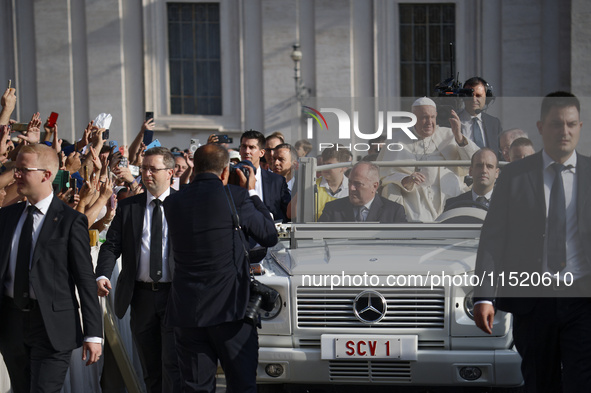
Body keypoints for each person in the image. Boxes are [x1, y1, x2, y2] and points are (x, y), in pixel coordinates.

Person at [473, 92, 591, 392]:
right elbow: (492, 239)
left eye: (571, 124)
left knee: (582, 381)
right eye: (555, 124)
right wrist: (485, 296)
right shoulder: (514, 176)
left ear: (580, 126)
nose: (564, 131)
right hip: (534, 301)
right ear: (540, 127)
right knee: (540, 383)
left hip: (583, 299)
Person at [164, 144, 278, 393]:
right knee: (241, 385)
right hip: (231, 311)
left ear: (193, 169)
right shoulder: (236, 198)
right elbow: (269, 235)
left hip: (188, 311)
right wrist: (251, 193)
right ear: (226, 171)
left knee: (195, 387)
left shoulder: (173, 202)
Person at [0, 144, 102, 393]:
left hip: (52, 326)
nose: (17, 176)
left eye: (23, 170)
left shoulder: (70, 220)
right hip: (11, 323)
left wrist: (93, 334)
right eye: (16, 169)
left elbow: (85, 279)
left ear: (46, 175)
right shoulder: (7, 217)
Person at [96, 147, 181, 393]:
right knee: (150, 367)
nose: (146, 174)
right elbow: (111, 246)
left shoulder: (183, 205)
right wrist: (102, 274)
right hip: (141, 297)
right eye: (143, 168)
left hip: (174, 296)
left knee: (173, 366)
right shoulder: (128, 207)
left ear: (170, 173)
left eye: (153, 169)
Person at [378, 97, 479, 222]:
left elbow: (475, 162)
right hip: (413, 196)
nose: (429, 122)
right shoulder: (397, 138)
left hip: (449, 194)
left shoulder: (449, 134)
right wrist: (406, 179)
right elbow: (385, 174)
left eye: (432, 117)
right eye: (424, 117)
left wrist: (459, 136)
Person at [319, 162, 407, 223]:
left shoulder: (393, 211)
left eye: (358, 184)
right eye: (350, 182)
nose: (351, 188)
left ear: (375, 186)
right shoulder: (333, 210)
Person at [239, 130, 290, 221]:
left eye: (252, 147)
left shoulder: (277, 181)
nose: (247, 151)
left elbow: (287, 214)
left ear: (262, 153)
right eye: (244, 146)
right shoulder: (230, 178)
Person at [458, 77, 503, 154]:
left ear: (487, 98)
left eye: (478, 95)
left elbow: (501, 153)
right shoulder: (453, 121)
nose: (474, 99)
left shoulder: (494, 123)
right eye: (470, 95)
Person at [315, 147, 352, 219]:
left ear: (344, 167)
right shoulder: (312, 185)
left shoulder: (353, 188)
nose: (324, 167)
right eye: (323, 164)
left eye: (329, 164)